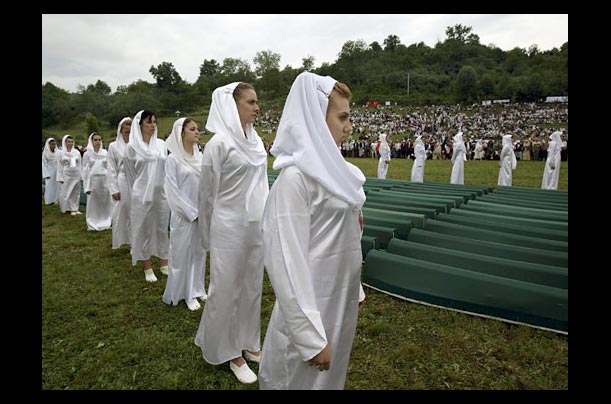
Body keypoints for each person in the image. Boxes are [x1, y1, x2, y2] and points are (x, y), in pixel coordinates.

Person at [258, 71, 366, 390]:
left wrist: (355, 288)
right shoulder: (295, 180)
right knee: (297, 378)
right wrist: (308, 336)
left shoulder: (343, 174)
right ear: (317, 118)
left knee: (331, 377)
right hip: (311, 301)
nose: (349, 126)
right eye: (342, 117)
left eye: (350, 117)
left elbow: (350, 237)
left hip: (340, 295)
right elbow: (286, 261)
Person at [194, 82, 268, 384]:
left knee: (251, 285)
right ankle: (229, 351)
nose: (256, 107)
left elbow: (262, 185)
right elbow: (207, 194)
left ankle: (249, 340)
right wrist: (208, 232)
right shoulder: (218, 145)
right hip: (227, 225)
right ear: (232, 105)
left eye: (256, 101)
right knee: (226, 287)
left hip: (253, 225)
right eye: (250, 102)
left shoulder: (258, 141)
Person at [162, 117, 208, 311]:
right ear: (182, 133)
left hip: (202, 213)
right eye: (192, 129)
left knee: (199, 252)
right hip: (184, 216)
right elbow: (172, 190)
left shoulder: (200, 158)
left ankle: (197, 288)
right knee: (183, 254)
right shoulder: (173, 160)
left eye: (197, 129)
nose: (197, 132)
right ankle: (185, 293)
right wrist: (190, 212)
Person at [124, 110, 170, 282]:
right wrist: (136, 193)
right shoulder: (132, 147)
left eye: (154, 122)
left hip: (160, 193)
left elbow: (166, 169)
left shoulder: (161, 144)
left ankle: (164, 262)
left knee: (161, 226)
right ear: (140, 124)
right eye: (149, 122)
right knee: (143, 228)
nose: (153, 125)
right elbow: (130, 175)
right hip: (141, 194)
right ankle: (147, 266)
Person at [106, 117, 132, 249]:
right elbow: (111, 169)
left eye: (130, 126)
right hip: (122, 181)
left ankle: (135, 241)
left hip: (136, 182)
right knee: (121, 211)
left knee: (136, 212)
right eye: (126, 127)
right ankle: (121, 240)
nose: (128, 129)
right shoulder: (113, 146)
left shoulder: (137, 145)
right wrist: (114, 189)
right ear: (120, 130)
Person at [81, 132, 112, 231]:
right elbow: (85, 170)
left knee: (104, 202)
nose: (98, 142)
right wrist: (87, 186)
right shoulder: (87, 154)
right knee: (93, 203)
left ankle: (106, 221)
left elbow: (109, 167)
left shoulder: (105, 153)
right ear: (91, 141)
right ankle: (92, 222)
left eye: (99, 140)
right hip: (93, 180)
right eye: (95, 140)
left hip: (104, 180)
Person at [57, 135, 82, 216]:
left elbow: (80, 164)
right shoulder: (61, 153)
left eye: (72, 142)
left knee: (75, 192)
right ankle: (65, 208)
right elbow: (59, 165)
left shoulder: (77, 152)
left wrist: (81, 175)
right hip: (66, 174)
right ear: (65, 142)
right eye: (69, 142)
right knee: (66, 191)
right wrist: (60, 176)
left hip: (76, 173)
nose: (70, 143)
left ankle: (74, 208)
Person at [42, 137, 61, 205]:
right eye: (52, 144)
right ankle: (49, 200)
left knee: (57, 186)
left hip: (57, 171)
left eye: (54, 144)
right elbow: (44, 164)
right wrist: (46, 174)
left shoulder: (58, 152)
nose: (53, 145)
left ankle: (56, 199)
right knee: (49, 186)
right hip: (49, 171)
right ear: (48, 145)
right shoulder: (45, 153)